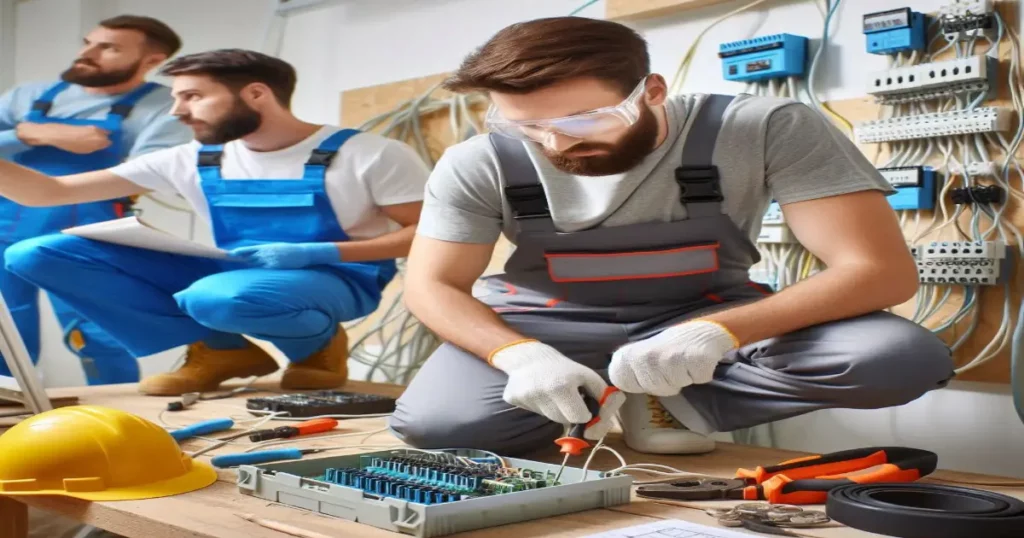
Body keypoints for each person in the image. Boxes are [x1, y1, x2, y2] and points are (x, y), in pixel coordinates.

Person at [389, 17, 956, 456]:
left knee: (900, 360)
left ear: (652, 90)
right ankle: (580, 395)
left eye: (583, 120)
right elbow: (432, 286)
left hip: (705, 314)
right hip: (543, 324)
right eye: (527, 127)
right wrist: (520, 356)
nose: (556, 145)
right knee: (441, 427)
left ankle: (674, 395)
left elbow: (877, 271)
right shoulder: (477, 161)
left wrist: (717, 331)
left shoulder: (766, 128)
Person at [1, 49, 429, 396]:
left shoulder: (368, 153)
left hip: (337, 275)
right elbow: (48, 193)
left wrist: (319, 251)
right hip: (233, 270)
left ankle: (317, 347)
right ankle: (224, 350)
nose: (176, 112)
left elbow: (426, 236)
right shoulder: (191, 158)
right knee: (33, 254)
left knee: (214, 298)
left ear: (257, 94)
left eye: (191, 96)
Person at [0, 15, 192, 385]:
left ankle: (113, 418)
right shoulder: (27, 96)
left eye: (109, 47)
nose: (87, 53)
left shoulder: (164, 107)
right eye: (88, 42)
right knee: (7, 335)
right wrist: (32, 133)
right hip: (4, 222)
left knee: (95, 334)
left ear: (152, 61)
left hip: (86, 232)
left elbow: (155, 170)